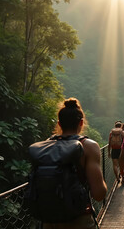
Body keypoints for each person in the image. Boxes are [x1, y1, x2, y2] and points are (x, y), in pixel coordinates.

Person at [43, 97, 107, 229]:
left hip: (49, 219)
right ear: (81, 123)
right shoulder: (89, 146)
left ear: (59, 124)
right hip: (79, 220)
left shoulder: (46, 145)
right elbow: (99, 194)